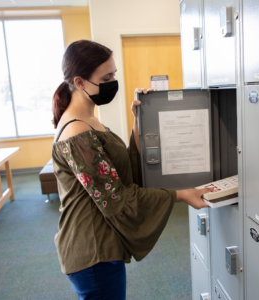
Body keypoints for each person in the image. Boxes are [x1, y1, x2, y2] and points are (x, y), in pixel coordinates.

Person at [51, 39, 211, 300]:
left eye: (114, 74)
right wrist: (180, 195)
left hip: (101, 243)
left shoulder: (88, 118)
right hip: (92, 248)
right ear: (80, 82)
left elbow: (117, 170)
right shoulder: (76, 130)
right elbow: (116, 198)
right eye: (107, 76)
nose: (113, 81)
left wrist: (140, 121)